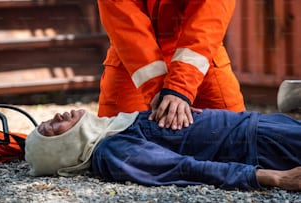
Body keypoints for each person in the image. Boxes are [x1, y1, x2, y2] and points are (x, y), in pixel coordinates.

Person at [25, 109, 301, 191]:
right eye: (49, 130)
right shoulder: (111, 150)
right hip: (260, 143)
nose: (56, 117)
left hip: (261, 126)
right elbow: (184, 167)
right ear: (61, 151)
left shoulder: (113, 130)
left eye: (46, 121)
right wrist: (272, 178)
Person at [96, 0, 245, 130]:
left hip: (198, 52)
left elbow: (210, 14)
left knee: (238, 135)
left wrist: (179, 88)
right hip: (133, 59)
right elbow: (125, 23)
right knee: (114, 141)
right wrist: (166, 94)